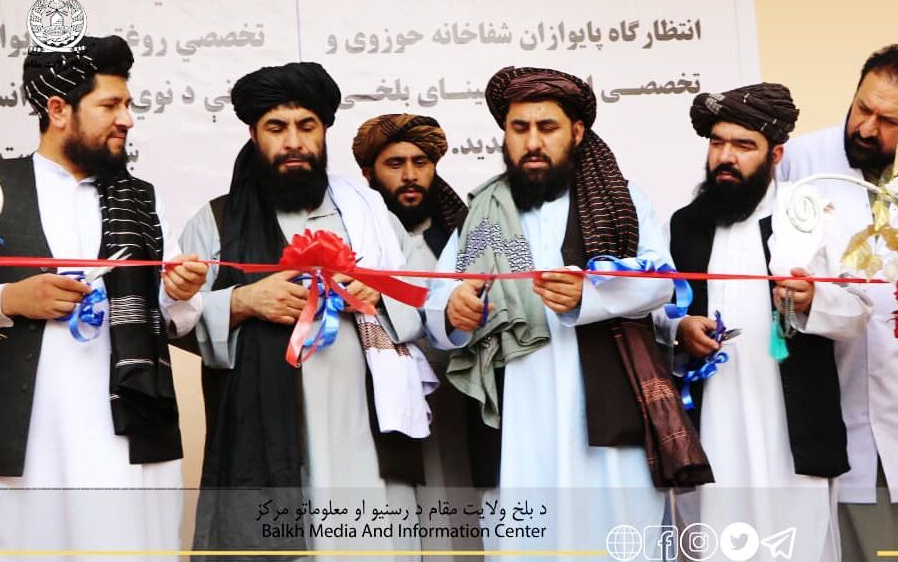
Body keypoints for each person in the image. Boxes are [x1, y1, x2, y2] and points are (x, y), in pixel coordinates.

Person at [424, 66, 711, 558]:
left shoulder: (620, 200)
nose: (532, 142)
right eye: (519, 128)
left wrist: (589, 297)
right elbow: (438, 301)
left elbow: (662, 280)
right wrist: (454, 311)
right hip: (517, 416)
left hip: (607, 413)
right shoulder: (484, 211)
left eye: (547, 127)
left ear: (576, 132)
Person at [180, 62, 435, 559]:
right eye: (277, 128)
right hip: (270, 440)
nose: (293, 141)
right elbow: (175, 317)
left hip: (367, 432)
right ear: (254, 135)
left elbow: (428, 299)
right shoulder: (216, 220)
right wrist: (239, 301)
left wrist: (379, 290)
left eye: (306, 126)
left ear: (324, 131)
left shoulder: (368, 215)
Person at [0, 35, 207, 560]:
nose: (126, 119)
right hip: (27, 434)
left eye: (128, 105)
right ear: (58, 110)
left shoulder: (140, 198)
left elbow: (173, 317)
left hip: (129, 427)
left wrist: (179, 293)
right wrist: (9, 298)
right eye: (110, 105)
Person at [658, 82, 872, 561]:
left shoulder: (810, 214)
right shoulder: (685, 224)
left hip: (791, 431)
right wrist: (680, 330)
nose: (725, 157)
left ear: (775, 155)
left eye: (743, 145)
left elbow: (857, 312)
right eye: (717, 143)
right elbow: (661, 313)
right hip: (714, 427)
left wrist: (813, 300)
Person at [778, 45, 898, 560]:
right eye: (862, 108)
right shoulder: (798, 162)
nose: (867, 128)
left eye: (889, 121)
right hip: (838, 413)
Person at [353, 113, 478, 557]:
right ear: (368, 173)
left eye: (421, 162)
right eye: (395, 163)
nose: (410, 175)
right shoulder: (357, 241)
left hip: (456, 401)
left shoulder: (463, 236)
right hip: (387, 403)